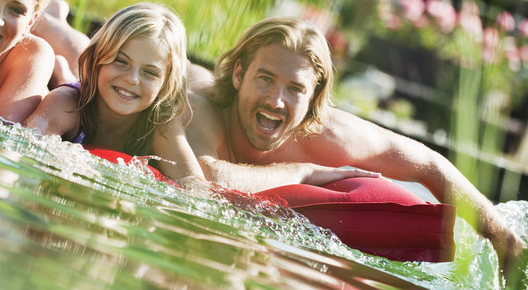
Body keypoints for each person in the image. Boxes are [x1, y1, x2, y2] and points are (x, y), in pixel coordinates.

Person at [182, 16, 525, 273]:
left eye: (295, 89)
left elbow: (427, 164)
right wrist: (302, 172)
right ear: (240, 74)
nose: (276, 100)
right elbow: (209, 177)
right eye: (265, 79)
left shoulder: (327, 134)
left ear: (313, 95)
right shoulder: (201, 107)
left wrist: (503, 239)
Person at [23, 3, 205, 182]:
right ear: (97, 57)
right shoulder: (68, 102)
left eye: (149, 72)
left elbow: (194, 184)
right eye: (121, 61)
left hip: (105, 85)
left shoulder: (159, 123)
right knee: (73, 55)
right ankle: (52, 18)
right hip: (88, 90)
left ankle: (63, 70)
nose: (132, 79)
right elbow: (28, 139)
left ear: (166, 84)